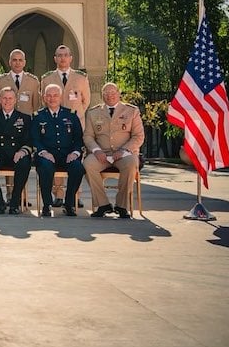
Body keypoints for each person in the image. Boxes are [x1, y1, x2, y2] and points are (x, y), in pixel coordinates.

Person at [83, 83, 145, 219]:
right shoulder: (93, 112)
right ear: (102, 95)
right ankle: (103, 204)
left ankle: (122, 206)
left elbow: (138, 136)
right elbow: (88, 136)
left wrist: (124, 150)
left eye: (113, 93)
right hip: (102, 154)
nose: (110, 96)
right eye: (106, 93)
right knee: (88, 164)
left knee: (131, 164)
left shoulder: (131, 111)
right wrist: (96, 150)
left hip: (124, 154)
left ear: (119, 93)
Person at [40, 44, 90, 206]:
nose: (63, 58)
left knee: (76, 159)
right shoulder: (47, 78)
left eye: (66, 55)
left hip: (75, 125)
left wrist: (74, 116)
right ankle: (59, 194)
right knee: (55, 156)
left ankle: (76, 195)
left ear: (71, 58)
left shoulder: (81, 78)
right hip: (54, 124)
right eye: (59, 55)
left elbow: (85, 102)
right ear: (55, 58)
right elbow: (44, 101)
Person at [31, 83, 85, 217]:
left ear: (61, 97)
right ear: (44, 98)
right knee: (45, 167)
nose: (52, 98)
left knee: (78, 168)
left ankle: (69, 203)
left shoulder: (71, 115)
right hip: (47, 155)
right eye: (49, 96)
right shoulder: (38, 116)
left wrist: (75, 153)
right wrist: (44, 152)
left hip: (67, 155)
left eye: (55, 95)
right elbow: (34, 139)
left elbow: (79, 138)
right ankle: (47, 204)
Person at [0, 87, 33, 215]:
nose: (7, 101)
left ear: (15, 100)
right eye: (4, 98)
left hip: (16, 154)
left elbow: (29, 140)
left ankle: (14, 203)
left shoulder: (25, 118)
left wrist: (23, 151)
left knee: (24, 164)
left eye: (10, 98)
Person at [0, 49, 41, 116]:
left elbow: (36, 106)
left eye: (20, 60)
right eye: (14, 60)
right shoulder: (0, 82)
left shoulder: (33, 81)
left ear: (24, 63)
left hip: (27, 120)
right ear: (10, 62)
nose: (17, 63)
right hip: (7, 120)